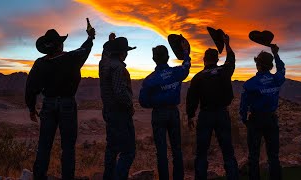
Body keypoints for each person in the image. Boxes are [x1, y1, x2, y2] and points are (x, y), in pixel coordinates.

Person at [25, 26, 95, 180]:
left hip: (48, 105)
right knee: (68, 147)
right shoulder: (71, 58)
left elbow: (31, 87)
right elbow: (84, 49)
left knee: (44, 144)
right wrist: (90, 37)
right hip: (67, 105)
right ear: (60, 45)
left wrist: (31, 108)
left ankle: (39, 176)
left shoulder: (40, 63)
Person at [186, 34, 239, 180]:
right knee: (228, 151)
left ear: (204, 59)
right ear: (217, 59)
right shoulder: (224, 71)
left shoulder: (198, 77)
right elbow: (231, 58)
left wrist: (190, 115)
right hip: (222, 114)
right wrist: (227, 44)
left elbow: (191, 98)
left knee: (201, 152)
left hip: (205, 115)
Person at [139, 41, 191, 180]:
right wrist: (185, 51)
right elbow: (186, 66)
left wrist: (156, 102)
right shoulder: (176, 72)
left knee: (161, 151)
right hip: (173, 113)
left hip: (158, 114)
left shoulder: (150, 80)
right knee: (176, 149)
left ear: (154, 59)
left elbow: (143, 101)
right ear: (167, 57)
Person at [240, 44, 285, 180]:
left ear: (258, 65)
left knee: (254, 155)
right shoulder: (276, 79)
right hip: (271, 120)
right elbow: (282, 69)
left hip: (256, 121)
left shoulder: (250, 84)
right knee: (273, 155)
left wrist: (244, 120)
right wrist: (276, 54)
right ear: (270, 65)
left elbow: (243, 105)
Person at [99, 36, 136, 180]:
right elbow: (120, 92)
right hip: (120, 114)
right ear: (122, 53)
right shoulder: (118, 68)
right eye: (126, 51)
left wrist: (110, 41)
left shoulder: (103, 64)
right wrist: (130, 105)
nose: (127, 54)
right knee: (128, 151)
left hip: (108, 111)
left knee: (112, 149)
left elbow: (104, 55)